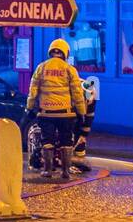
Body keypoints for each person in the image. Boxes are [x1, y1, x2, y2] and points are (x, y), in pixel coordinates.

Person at [23, 39, 87, 180]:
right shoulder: (70, 69)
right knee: (66, 141)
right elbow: (77, 93)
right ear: (65, 52)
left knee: (47, 141)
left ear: (51, 51)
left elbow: (32, 91)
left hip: (46, 113)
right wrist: (82, 112)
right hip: (66, 113)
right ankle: (65, 172)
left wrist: (29, 108)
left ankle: (47, 170)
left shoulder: (41, 67)